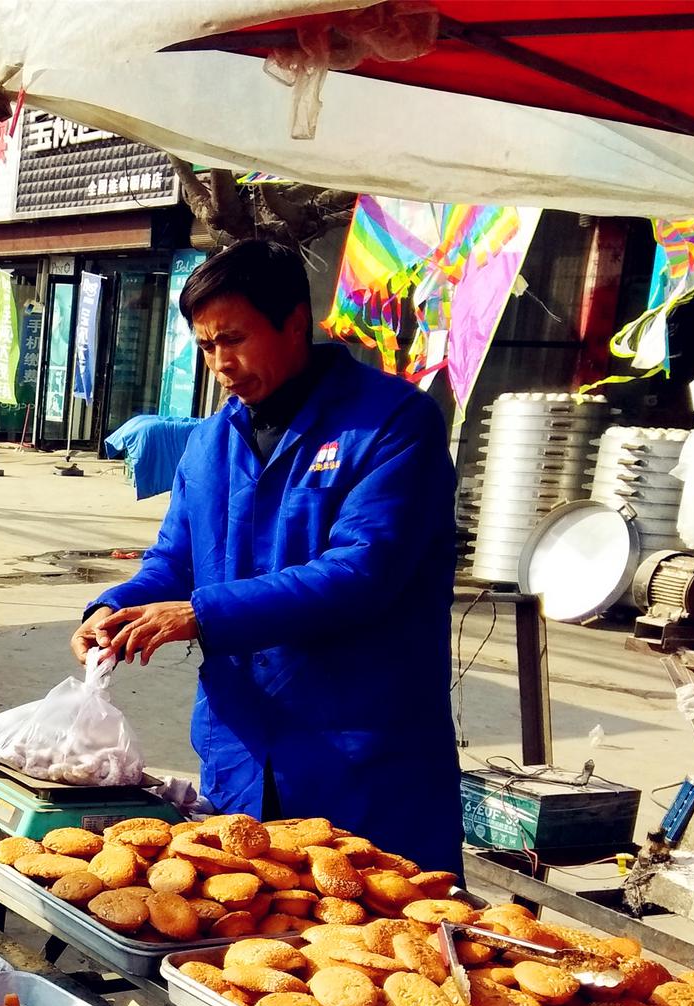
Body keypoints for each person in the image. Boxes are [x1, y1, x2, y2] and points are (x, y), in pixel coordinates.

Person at [71, 239, 462, 872]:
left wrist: (198, 615)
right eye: (205, 346)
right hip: (242, 750)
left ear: (296, 325)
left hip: (359, 755)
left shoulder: (393, 424)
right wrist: (114, 607)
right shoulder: (210, 441)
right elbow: (176, 559)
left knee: (381, 941)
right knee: (242, 941)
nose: (220, 363)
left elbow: (362, 572)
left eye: (234, 339)